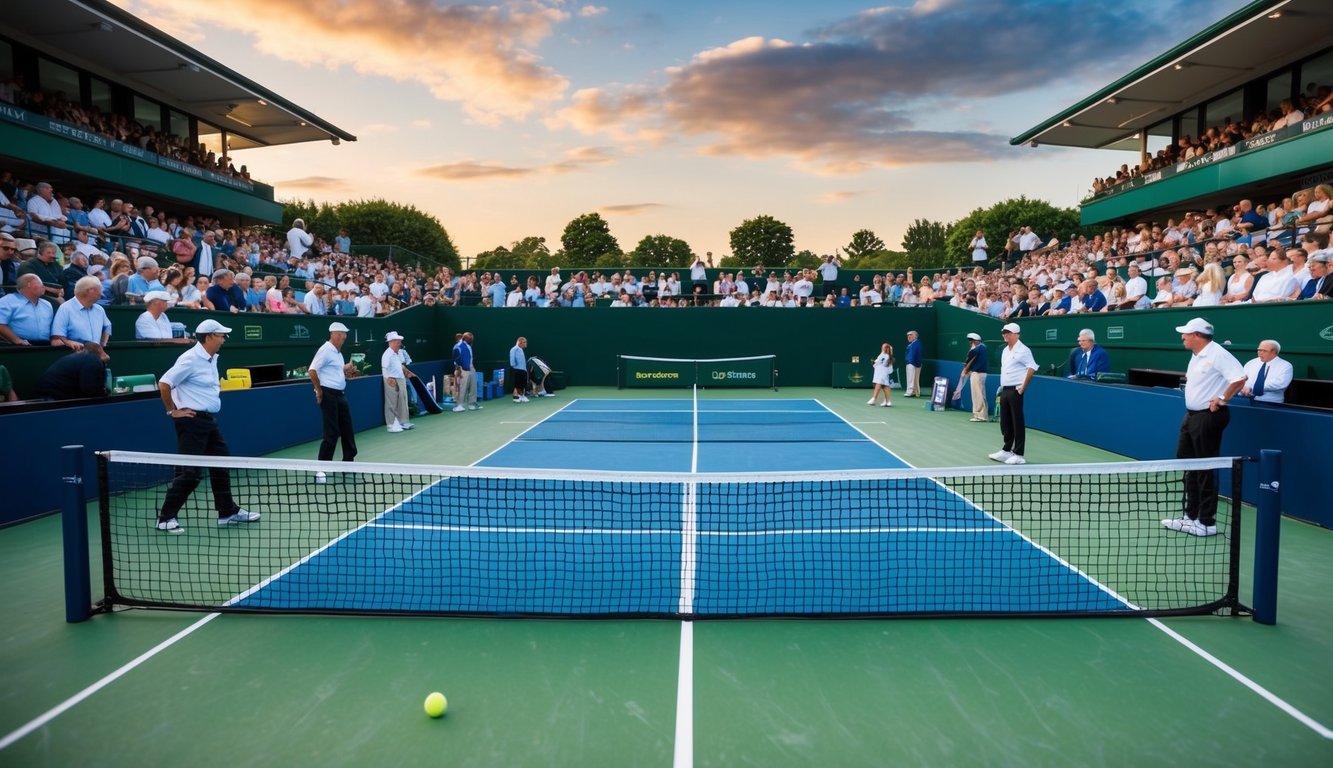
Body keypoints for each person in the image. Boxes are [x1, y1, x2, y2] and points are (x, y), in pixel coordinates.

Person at [153, 319, 258, 533]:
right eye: (221, 336)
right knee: (189, 473)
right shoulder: (190, 359)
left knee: (220, 464)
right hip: (191, 423)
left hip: (208, 422)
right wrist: (172, 411)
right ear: (209, 337)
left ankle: (226, 512)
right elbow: (164, 383)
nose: (223, 339)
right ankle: (165, 517)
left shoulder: (211, 358)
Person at [1163, 318, 1247, 538]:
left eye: (1187, 333)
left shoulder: (1218, 353)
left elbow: (1239, 378)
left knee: (1205, 468)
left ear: (1198, 335)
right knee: (1189, 465)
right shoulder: (1196, 355)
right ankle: (1189, 517)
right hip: (1191, 416)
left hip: (1208, 418)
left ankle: (1207, 522)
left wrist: (1222, 398)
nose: (1183, 337)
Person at [309, 321, 359, 471]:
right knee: (331, 433)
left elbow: (335, 369)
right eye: (343, 335)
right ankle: (321, 469)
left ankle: (347, 464)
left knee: (347, 430)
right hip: (328, 394)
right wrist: (319, 391)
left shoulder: (338, 353)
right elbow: (312, 371)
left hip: (340, 395)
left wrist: (346, 369)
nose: (344, 338)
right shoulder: (325, 350)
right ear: (335, 335)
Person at [989, 322, 1038, 466]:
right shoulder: (1005, 350)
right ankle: (1006, 450)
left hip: (1016, 389)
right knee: (1005, 422)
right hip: (1005, 389)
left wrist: (1023, 387)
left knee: (1017, 422)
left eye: (1008, 333)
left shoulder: (1024, 350)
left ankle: (1019, 454)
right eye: (1004, 333)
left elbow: (1032, 368)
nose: (1005, 335)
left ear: (1017, 335)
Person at [51, 276, 111, 351]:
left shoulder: (99, 309)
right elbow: (55, 340)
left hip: (96, 357)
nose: (102, 292)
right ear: (90, 290)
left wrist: (103, 343)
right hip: (75, 356)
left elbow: (107, 326)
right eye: (100, 288)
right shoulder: (65, 308)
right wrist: (68, 343)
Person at [34, 342, 110, 400]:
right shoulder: (92, 360)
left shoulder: (82, 358)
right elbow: (89, 390)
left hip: (47, 393)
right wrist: (106, 394)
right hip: (52, 397)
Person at [0, 273, 54, 345]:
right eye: (40, 283)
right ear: (29, 284)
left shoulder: (47, 304)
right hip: (16, 348)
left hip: (46, 347)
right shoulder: (8, 301)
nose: (44, 287)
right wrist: (17, 340)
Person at [1239, 339, 1293, 404]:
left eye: (1264, 351)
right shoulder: (1251, 363)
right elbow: (1243, 378)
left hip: (1270, 403)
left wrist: (1252, 388)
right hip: (1247, 400)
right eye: (1259, 350)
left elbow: (1280, 384)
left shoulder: (1285, 366)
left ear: (1274, 352)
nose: (1260, 353)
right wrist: (1244, 389)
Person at [381, 330, 415, 432]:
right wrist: (388, 379)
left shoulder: (397, 353)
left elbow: (399, 366)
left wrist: (406, 371)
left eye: (399, 341)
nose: (399, 344)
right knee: (391, 402)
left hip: (400, 378)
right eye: (397, 341)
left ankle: (403, 422)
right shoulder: (387, 354)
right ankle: (391, 425)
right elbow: (384, 368)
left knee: (402, 401)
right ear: (391, 342)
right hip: (391, 379)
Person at [959, 332, 989, 422]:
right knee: (980, 394)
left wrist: (965, 370)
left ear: (976, 341)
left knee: (978, 394)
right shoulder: (982, 348)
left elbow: (969, 359)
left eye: (971, 341)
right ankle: (980, 415)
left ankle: (980, 416)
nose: (970, 343)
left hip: (978, 373)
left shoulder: (978, 348)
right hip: (979, 373)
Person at [452, 331, 478, 412]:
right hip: (462, 369)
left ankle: (472, 404)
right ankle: (460, 405)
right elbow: (455, 358)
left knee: (473, 386)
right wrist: (458, 369)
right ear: (465, 338)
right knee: (463, 387)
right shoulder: (458, 346)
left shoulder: (469, 346)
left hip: (471, 368)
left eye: (471, 339)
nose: (471, 341)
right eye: (470, 339)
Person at [868, 342, 894, 407]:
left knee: (880, 384)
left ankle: (874, 398)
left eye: (883, 347)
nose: (882, 348)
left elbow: (878, 363)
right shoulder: (883, 355)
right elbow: (877, 363)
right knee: (884, 386)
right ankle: (887, 401)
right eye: (882, 346)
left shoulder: (885, 356)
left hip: (882, 373)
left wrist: (874, 362)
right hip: (880, 373)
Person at [509, 336, 529, 403]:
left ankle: (522, 396)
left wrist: (525, 369)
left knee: (523, 384)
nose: (525, 343)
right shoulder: (514, 349)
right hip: (517, 370)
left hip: (523, 370)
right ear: (520, 342)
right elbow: (512, 360)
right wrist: (514, 366)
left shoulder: (521, 349)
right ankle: (517, 396)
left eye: (526, 342)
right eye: (524, 342)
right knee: (517, 384)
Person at [903, 330, 922, 397]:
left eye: (910, 335)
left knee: (912, 378)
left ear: (915, 336)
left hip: (913, 363)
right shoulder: (911, 344)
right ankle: (916, 392)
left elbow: (915, 355)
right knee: (912, 378)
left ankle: (910, 392)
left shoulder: (916, 343)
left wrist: (912, 363)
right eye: (908, 335)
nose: (908, 336)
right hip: (911, 363)